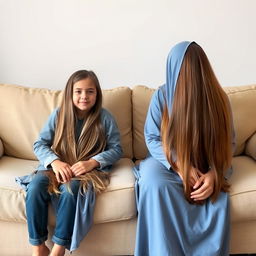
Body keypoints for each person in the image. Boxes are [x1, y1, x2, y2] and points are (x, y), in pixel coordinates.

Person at [133, 41, 236, 256]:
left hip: (205, 164)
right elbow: (152, 138)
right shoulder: (162, 96)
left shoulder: (219, 100)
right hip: (167, 163)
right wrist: (180, 166)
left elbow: (229, 143)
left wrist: (214, 175)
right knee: (153, 184)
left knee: (215, 199)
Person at [16, 70, 122, 256]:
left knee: (71, 190)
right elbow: (40, 144)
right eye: (78, 91)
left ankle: (59, 248)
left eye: (90, 91)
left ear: (97, 94)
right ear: (70, 93)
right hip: (55, 167)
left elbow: (116, 149)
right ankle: (38, 246)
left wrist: (92, 162)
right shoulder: (58, 115)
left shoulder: (105, 118)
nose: (84, 96)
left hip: (84, 172)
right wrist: (55, 162)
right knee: (35, 187)